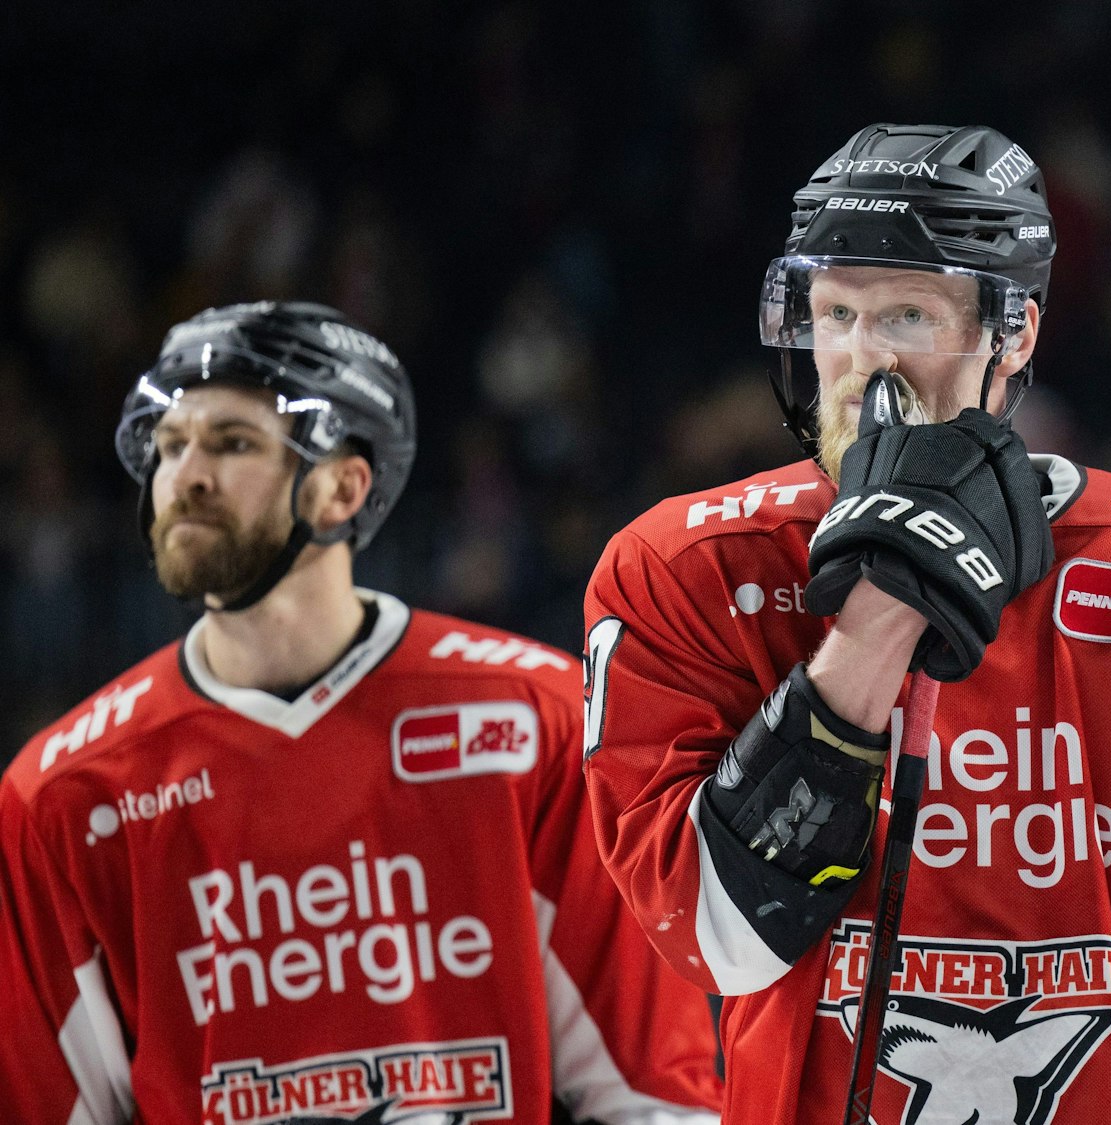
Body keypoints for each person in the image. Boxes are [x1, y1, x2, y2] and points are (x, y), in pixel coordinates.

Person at [581, 123, 1111, 1124]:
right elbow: (714, 938)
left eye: (906, 317)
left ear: (1012, 334)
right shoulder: (684, 571)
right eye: (835, 313)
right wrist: (874, 621)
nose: (859, 360)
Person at [0, 302, 723, 1125]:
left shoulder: (539, 722)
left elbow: (657, 1101)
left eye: (232, 443)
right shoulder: (64, 794)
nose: (185, 474)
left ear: (344, 486)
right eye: (169, 446)